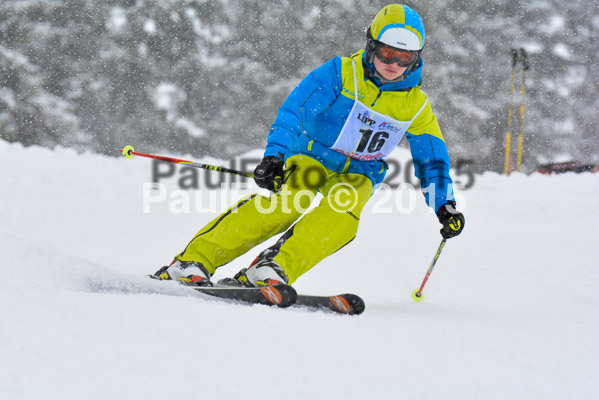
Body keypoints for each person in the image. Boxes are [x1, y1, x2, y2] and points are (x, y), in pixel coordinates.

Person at [152, 4, 465, 288]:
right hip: (312, 157)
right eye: (386, 53)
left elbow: (433, 160)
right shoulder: (342, 73)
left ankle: (272, 269)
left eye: (404, 58)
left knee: (342, 216)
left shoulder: (416, 106)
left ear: (416, 59)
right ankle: (192, 261)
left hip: (359, 174)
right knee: (286, 203)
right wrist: (275, 156)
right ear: (371, 45)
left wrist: (444, 204)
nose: (393, 64)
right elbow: (295, 111)